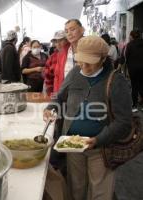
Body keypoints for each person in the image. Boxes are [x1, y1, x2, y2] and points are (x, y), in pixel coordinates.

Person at [44, 36, 132, 200]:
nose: (83, 67)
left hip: (101, 148)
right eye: (80, 61)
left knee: (100, 190)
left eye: (89, 62)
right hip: (71, 143)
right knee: (76, 187)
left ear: (103, 59)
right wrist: (51, 108)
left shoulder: (116, 81)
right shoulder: (75, 72)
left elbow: (124, 122)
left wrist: (99, 139)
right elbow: (59, 96)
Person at [53, 19, 84, 93]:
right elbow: (57, 77)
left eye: (72, 29)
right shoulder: (62, 53)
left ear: (82, 30)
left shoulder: (92, 49)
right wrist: (57, 96)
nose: (69, 33)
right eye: (66, 31)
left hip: (85, 95)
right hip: (66, 95)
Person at [44, 30, 69, 96]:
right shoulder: (52, 57)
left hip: (71, 95)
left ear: (67, 40)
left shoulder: (71, 56)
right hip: (57, 94)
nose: (58, 44)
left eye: (61, 40)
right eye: (56, 41)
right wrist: (50, 92)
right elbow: (48, 76)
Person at [125, 30, 143, 112]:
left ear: (132, 36)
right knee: (141, 86)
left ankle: (135, 106)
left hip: (133, 69)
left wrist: (127, 69)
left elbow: (127, 58)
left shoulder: (129, 45)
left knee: (134, 86)